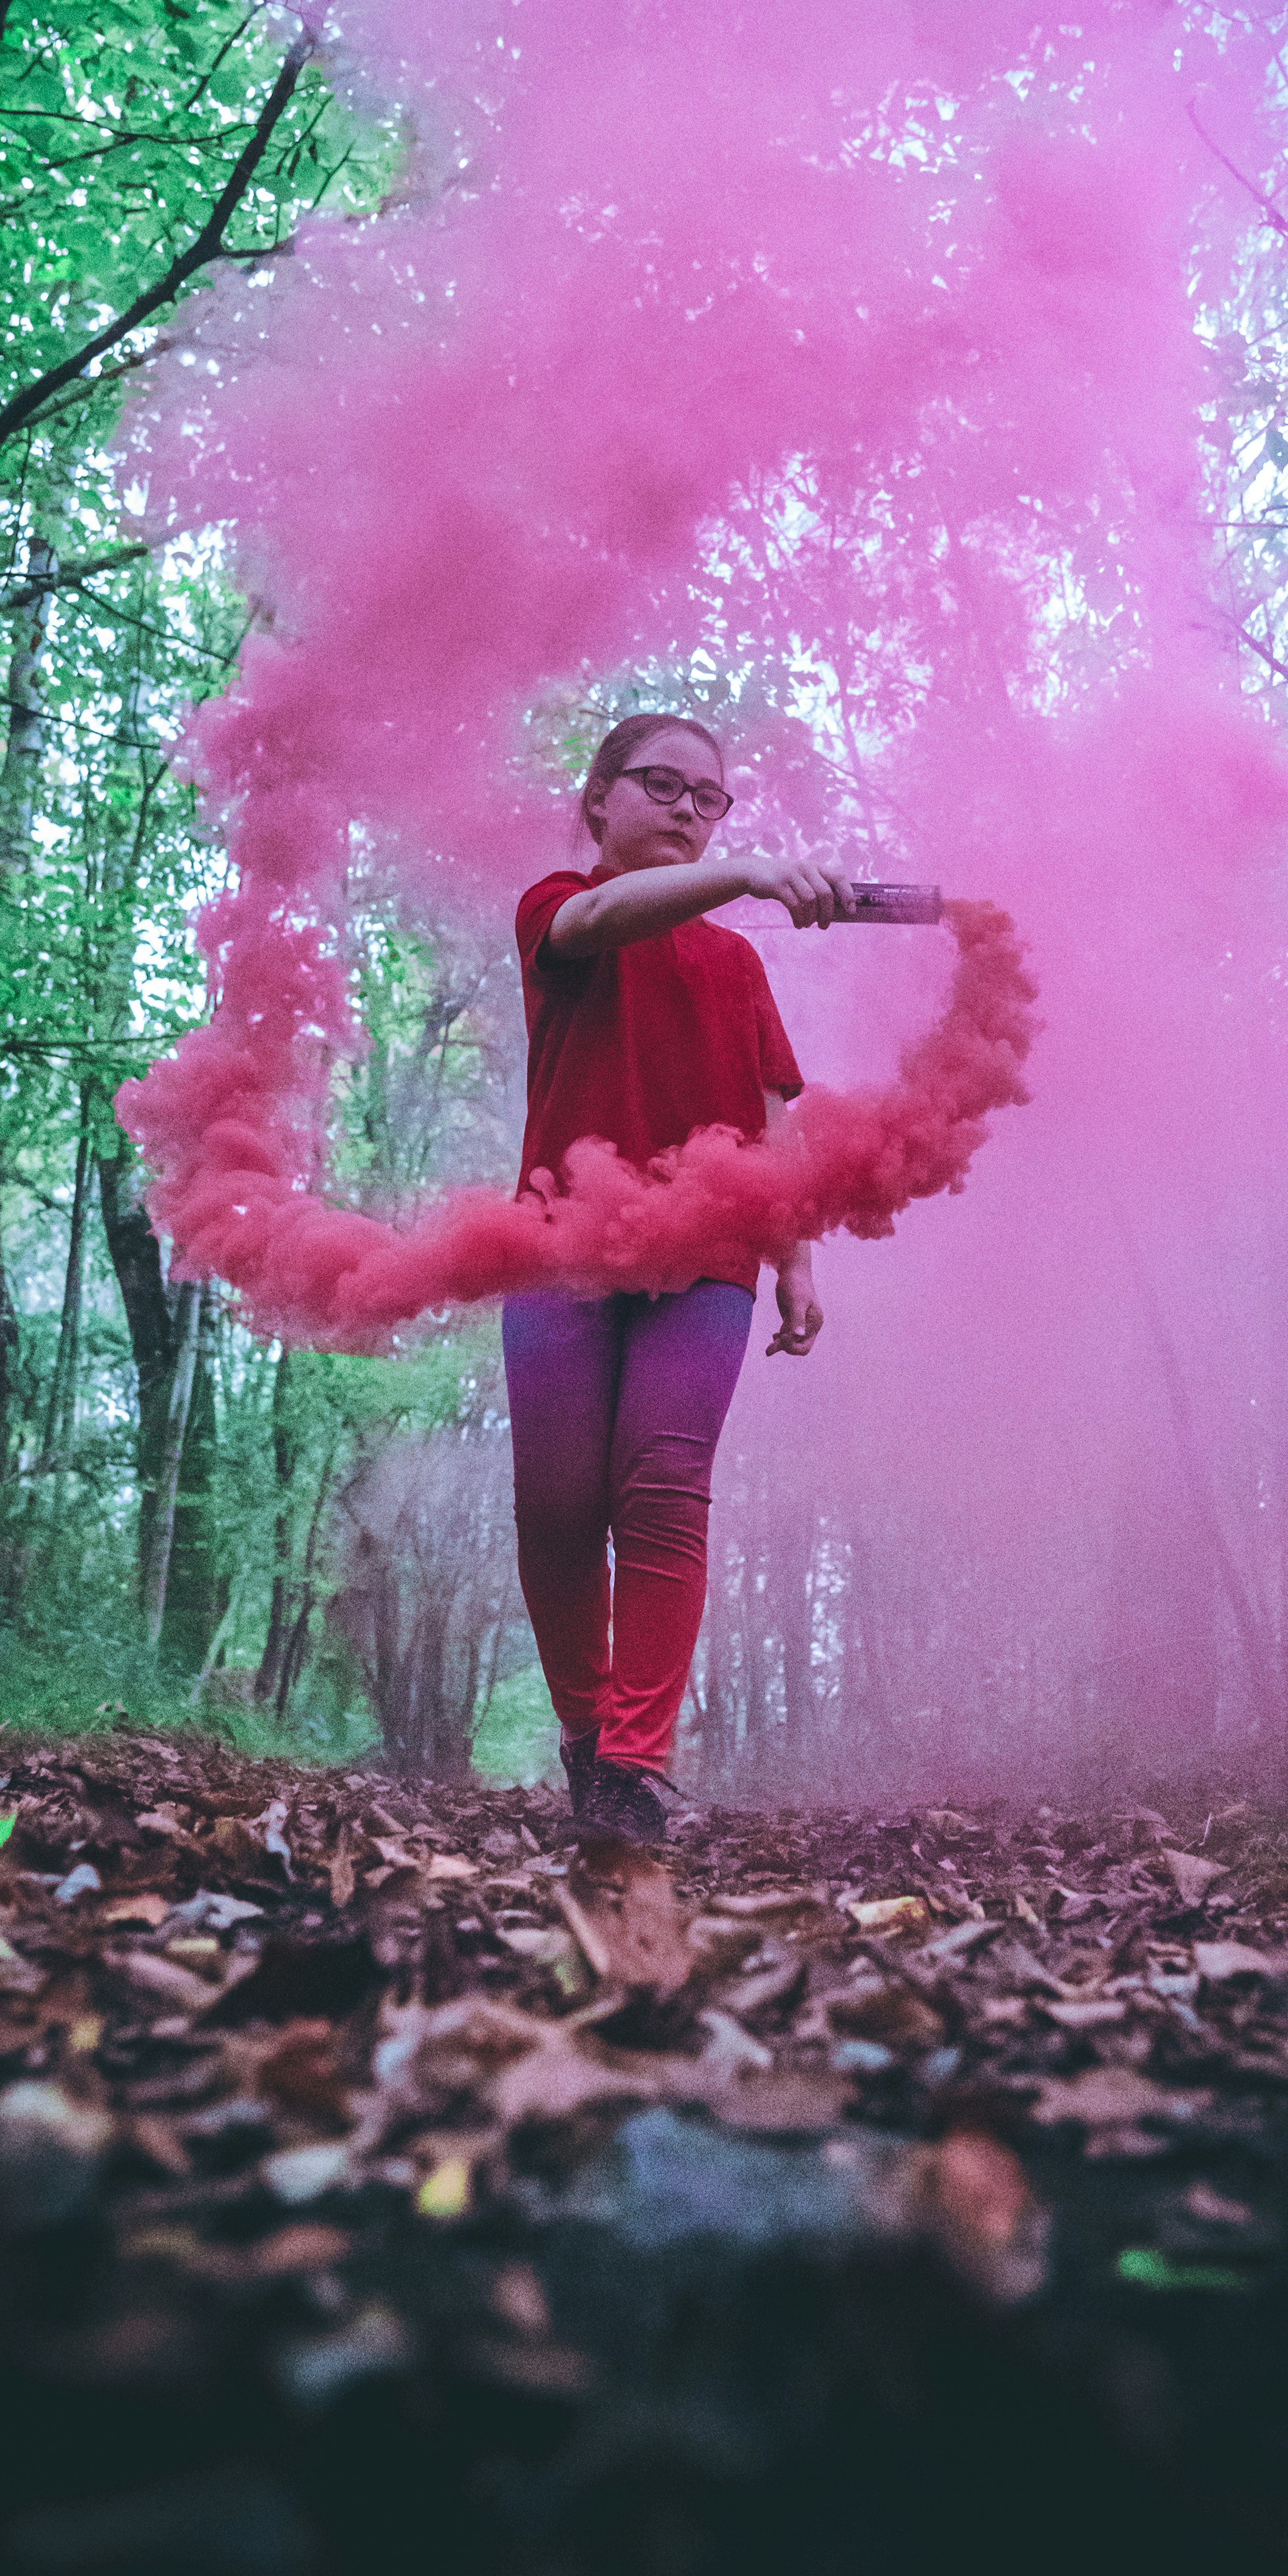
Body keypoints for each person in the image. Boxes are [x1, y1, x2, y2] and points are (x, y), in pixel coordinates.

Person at [503, 711, 855, 1844]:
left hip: (709, 1264)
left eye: (713, 800)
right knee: (559, 1506)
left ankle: (631, 1768)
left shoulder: (737, 960)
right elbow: (601, 917)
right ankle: (583, 1728)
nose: (693, 812)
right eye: (665, 785)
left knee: (661, 1492)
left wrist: (795, 1251)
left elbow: (775, 1114)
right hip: (559, 1242)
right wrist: (745, 871)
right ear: (599, 797)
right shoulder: (559, 906)